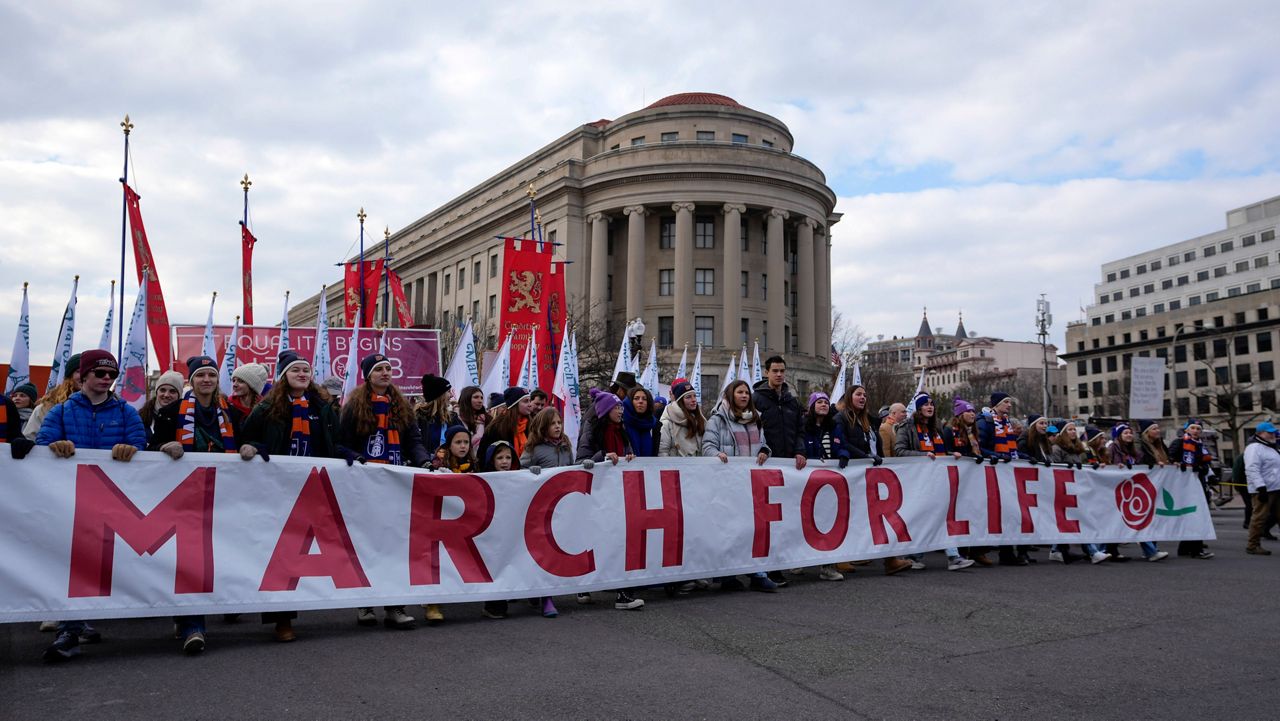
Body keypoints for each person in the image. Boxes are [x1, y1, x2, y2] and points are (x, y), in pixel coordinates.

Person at [32, 350, 146, 662]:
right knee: (74, 563)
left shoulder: (126, 412)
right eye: (100, 374)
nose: (107, 380)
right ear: (84, 376)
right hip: (71, 501)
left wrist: (132, 449)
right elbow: (42, 446)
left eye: (112, 375)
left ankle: (77, 621)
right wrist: (55, 446)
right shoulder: (61, 411)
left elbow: (142, 445)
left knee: (98, 564)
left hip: (114, 503)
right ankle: (68, 629)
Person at [240, 351, 352, 642]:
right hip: (278, 488)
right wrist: (255, 446)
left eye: (306, 370)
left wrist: (347, 454)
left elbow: (333, 442)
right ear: (283, 376)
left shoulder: (323, 407)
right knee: (282, 551)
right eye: (295, 370)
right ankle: (282, 619)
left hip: (313, 487)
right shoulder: (268, 407)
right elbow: (247, 435)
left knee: (311, 548)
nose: (302, 374)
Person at [149, 356, 248, 653]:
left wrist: (250, 447)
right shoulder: (171, 412)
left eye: (212, 375)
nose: (207, 380)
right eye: (201, 375)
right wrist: (164, 447)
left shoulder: (233, 412)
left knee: (220, 554)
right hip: (184, 496)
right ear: (192, 381)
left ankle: (210, 606)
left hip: (223, 495)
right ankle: (194, 624)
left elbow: (252, 440)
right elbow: (149, 446)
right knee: (191, 558)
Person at [340, 353, 430, 630]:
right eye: (379, 369)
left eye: (389, 368)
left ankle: (395, 606)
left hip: (394, 483)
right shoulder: (355, 407)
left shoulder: (401, 407)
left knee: (395, 545)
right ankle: (365, 603)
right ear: (368, 375)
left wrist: (423, 460)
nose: (385, 373)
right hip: (365, 485)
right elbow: (340, 444)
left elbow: (413, 441)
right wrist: (358, 458)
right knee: (367, 543)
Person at [702, 380, 783, 591]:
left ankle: (757, 573)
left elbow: (762, 444)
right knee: (729, 529)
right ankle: (727, 576)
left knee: (752, 528)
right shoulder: (717, 420)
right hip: (727, 484)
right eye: (740, 392)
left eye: (747, 392)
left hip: (750, 483)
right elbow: (707, 446)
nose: (745, 396)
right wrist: (716, 455)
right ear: (730, 395)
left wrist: (765, 451)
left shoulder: (755, 420)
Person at [574, 388, 644, 610]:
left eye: (621, 407)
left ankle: (623, 594)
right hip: (596, 495)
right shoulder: (592, 431)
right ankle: (582, 585)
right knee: (594, 540)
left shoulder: (621, 430)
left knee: (621, 542)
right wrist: (602, 457)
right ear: (605, 411)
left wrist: (629, 457)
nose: (621, 410)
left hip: (618, 496)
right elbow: (581, 460)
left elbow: (627, 451)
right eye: (616, 407)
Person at [800, 391, 846, 582]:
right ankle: (798, 559)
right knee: (803, 520)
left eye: (826, 402)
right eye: (819, 402)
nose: (824, 405)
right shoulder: (804, 426)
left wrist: (843, 454)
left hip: (830, 481)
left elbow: (842, 444)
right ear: (812, 406)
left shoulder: (834, 427)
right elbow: (801, 447)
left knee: (827, 521)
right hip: (807, 480)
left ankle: (827, 566)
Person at [1169, 420, 1216, 559]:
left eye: (1198, 429)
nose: (1195, 431)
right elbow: (1170, 458)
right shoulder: (1179, 442)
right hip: (1184, 484)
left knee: (1193, 515)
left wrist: (1206, 471)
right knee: (1195, 514)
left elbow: (1205, 462)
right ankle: (1196, 549)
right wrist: (1180, 464)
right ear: (1186, 430)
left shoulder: (1200, 445)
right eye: (1193, 428)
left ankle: (1185, 548)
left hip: (1198, 481)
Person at [752, 356, 806, 471]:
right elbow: (751, 431)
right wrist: (763, 450)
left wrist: (800, 451)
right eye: (775, 371)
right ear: (767, 373)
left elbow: (800, 431)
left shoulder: (793, 401)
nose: (779, 374)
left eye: (782, 371)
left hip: (791, 465)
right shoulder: (755, 400)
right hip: (765, 462)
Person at [23, 352, 81, 440]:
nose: (85, 375)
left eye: (90, 372)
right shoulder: (47, 407)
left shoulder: (105, 406)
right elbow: (30, 438)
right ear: (70, 375)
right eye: (79, 371)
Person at [1244, 422, 1280, 555]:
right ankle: (1253, 545)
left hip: (1276, 488)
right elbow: (1252, 469)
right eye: (1269, 432)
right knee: (1259, 518)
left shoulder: (1272, 447)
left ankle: (1254, 544)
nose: (1272, 434)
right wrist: (1261, 487)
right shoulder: (1254, 448)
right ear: (1259, 433)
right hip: (1264, 489)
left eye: (1273, 432)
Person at [485, 387, 534, 461]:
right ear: (514, 404)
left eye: (530, 401)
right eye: (525, 401)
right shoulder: (498, 427)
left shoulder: (531, 425)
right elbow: (486, 454)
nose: (530, 404)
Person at [658, 379, 704, 457]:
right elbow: (663, 452)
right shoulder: (667, 422)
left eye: (694, 396)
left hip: (698, 467)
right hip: (676, 467)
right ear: (680, 401)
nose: (693, 400)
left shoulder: (700, 420)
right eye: (688, 397)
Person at [415, 373, 454, 458]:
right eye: (448, 391)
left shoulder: (452, 418)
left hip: (449, 467)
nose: (451, 396)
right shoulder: (418, 418)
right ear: (439, 396)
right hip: (425, 467)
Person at [622, 386, 659, 457]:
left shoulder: (654, 425)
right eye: (636, 398)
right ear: (630, 402)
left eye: (644, 399)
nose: (640, 401)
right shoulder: (621, 423)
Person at [453, 384, 489, 451]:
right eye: (476, 397)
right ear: (466, 398)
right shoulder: (454, 418)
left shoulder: (487, 419)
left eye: (481, 398)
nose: (480, 401)